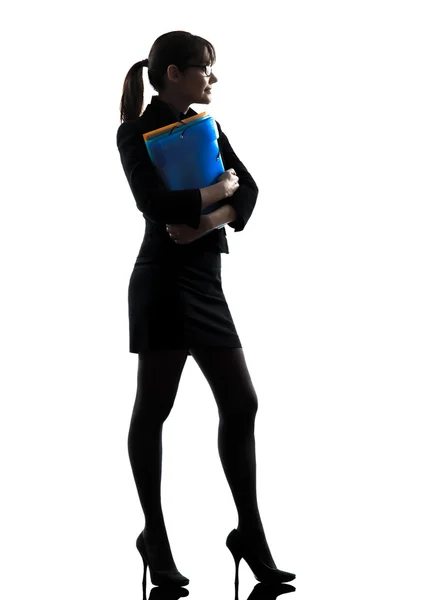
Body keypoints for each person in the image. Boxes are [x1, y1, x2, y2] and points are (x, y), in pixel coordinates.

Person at [117, 31, 295, 591]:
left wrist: (208, 218)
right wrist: (212, 191)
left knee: (242, 403)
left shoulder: (208, 125)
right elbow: (155, 204)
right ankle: (155, 536)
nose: (211, 80)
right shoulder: (135, 132)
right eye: (204, 70)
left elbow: (252, 192)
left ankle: (250, 534)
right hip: (161, 281)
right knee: (155, 409)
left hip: (205, 282)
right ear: (173, 73)